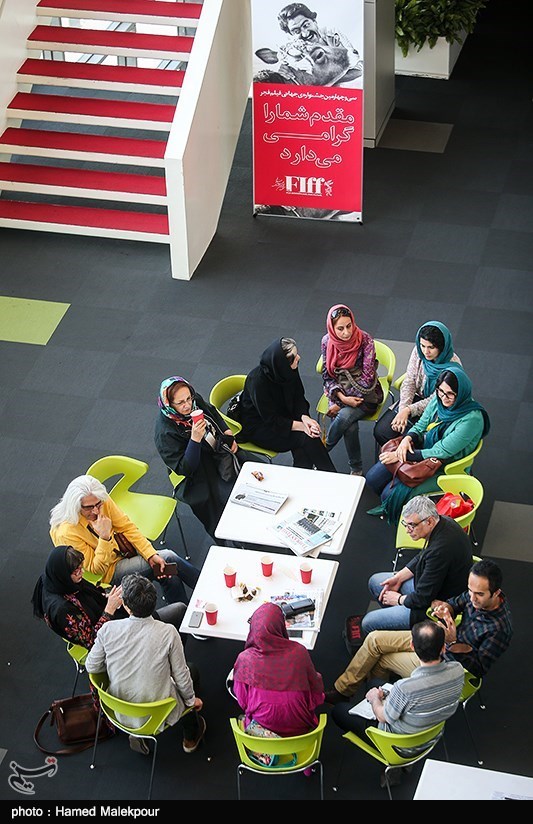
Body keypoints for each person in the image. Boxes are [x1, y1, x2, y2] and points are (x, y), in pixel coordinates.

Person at [325, 559, 512, 705]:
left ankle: (378, 703)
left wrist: (453, 643)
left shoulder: (499, 629)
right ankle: (343, 690)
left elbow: (477, 669)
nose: (472, 598)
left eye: (479, 594)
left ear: (496, 593)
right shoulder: (475, 595)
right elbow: (455, 603)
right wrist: (445, 609)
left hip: (448, 666)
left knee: (382, 660)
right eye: (470, 591)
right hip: (439, 639)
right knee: (374, 639)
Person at [86, 573, 206, 755]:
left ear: (126, 606)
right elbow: (181, 677)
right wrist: (191, 702)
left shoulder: (108, 629)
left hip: (120, 710)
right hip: (158, 712)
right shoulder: (168, 632)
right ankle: (191, 737)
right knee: (192, 671)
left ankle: (136, 734)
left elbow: (92, 666)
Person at [366, 365, 490, 525]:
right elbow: (421, 424)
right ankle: (391, 504)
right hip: (425, 448)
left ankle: (393, 508)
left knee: (387, 494)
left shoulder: (471, 420)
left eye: (450, 394)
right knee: (373, 478)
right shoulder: (438, 400)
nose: (444, 398)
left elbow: (441, 451)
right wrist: (407, 438)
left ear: (461, 393)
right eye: (441, 391)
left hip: (444, 464)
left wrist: (400, 455)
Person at [49, 475, 200, 605]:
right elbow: (96, 569)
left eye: (98, 504)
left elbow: (127, 527)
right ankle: (206, 586)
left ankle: (181, 612)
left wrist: (150, 554)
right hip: (109, 570)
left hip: (123, 551)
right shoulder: (66, 532)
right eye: (88, 507)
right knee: (167, 558)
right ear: (75, 505)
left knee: (167, 570)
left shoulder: (101, 500)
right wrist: (104, 537)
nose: (96, 511)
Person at [154, 375, 266, 541]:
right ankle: (238, 539)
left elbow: (212, 411)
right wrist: (195, 440)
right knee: (233, 499)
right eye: (180, 403)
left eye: (188, 399)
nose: (187, 405)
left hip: (218, 451)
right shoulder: (165, 433)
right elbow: (185, 468)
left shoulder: (194, 402)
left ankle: (263, 519)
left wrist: (227, 432)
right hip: (196, 473)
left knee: (262, 471)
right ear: (169, 404)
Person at [31, 545, 187, 649]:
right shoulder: (62, 610)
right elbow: (94, 642)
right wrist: (109, 609)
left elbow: (90, 594)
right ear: (64, 574)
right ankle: (170, 652)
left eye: (81, 568)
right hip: (114, 641)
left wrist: (107, 596)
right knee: (180, 610)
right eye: (76, 571)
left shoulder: (56, 580)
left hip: (110, 619)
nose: (82, 573)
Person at [331, 621, 464, 741]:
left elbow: (382, 717)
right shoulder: (458, 670)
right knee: (374, 682)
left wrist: (374, 699)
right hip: (432, 732)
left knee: (338, 711)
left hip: (398, 742)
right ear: (443, 648)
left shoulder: (405, 688)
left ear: (412, 646)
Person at [360, 496, 472, 636]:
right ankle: (395, 620)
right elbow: (423, 556)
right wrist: (399, 577)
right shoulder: (443, 522)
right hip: (431, 587)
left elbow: (423, 598)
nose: (408, 530)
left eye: (412, 525)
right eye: (405, 524)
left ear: (429, 521)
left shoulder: (440, 551)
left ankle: (411, 631)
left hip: (433, 606)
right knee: (375, 581)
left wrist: (398, 599)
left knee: (367, 622)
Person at [238, 338, 336, 472]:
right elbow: (271, 420)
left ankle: (307, 477)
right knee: (307, 439)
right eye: (294, 357)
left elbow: (298, 397)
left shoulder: (287, 370)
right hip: (261, 426)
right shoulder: (257, 382)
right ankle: (330, 475)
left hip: (284, 415)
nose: (299, 358)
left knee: (305, 445)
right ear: (282, 364)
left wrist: (305, 417)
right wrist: (302, 426)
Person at [232, 602, 324, 737]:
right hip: (302, 732)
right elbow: (316, 691)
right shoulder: (299, 653)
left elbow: (242, 700)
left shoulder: (245, 659)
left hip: (262, 734)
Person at [374, 321, 462, 447]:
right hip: (417, 398)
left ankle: (401, 457)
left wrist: (408, 410)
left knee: (414, 442)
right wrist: (403, 409)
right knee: (382, 432)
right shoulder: (418, 351)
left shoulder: (453, 367)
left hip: (439, 407)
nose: (426, 351)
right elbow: (410, 380)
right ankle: (394, 457)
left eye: (431, 347)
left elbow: (436, 399)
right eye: (423, 345)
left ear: (441, 347)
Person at [321, 304, 383, 475]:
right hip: (339, 393)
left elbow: (367, 380)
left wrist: (341, 403)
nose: (347, 332)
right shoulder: (327, 341)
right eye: (340, 328)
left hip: (365, 396)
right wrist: (341, 399)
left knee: (343, 417)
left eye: (349, 326)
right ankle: (356, 468)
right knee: (350, 427)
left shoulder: (365, 340)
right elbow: (327, 376)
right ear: (332, 328)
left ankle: (320, 452)